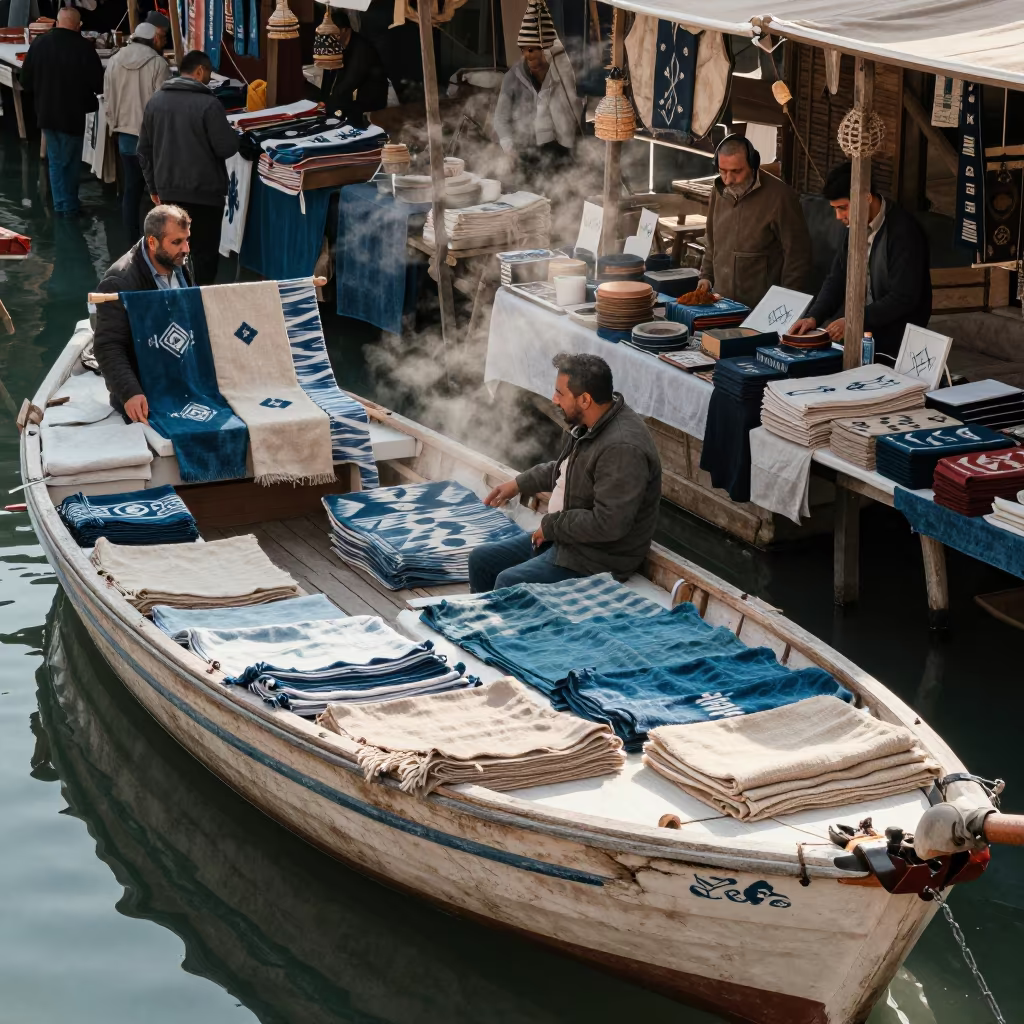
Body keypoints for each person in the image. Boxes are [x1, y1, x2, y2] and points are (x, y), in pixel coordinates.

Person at [469, 353, 662, 592]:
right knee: (481, 561)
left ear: (585, 400)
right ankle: (481, 626)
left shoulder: (622, 449)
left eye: (560, 393)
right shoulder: (592, 422)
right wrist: (518, 484)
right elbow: (567, 471)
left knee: (509, 582)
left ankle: (504, 627)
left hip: (599, 558)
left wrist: (552, 526)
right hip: (569, 539)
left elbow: (609, 524)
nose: (554, 399)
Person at [790, 162, 932, 357]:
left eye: (843, 208)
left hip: (898, 338)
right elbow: (838, 277)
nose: (839, 216)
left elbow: (903, 297)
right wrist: (813, 317)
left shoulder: (903, 232)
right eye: (835, 209)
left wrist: (853, 321)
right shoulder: (854, 226)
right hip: (865, 328)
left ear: (866, 198)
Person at [137, 50, 239, 285]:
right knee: (204, 256)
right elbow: (226, 147)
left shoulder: (156, 101)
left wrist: (153, 187)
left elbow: (143, 150)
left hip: (169, 194)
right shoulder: (209, 104)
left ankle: (176, 301)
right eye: (209, 73)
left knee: (172, 253)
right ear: (200, 71)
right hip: (206, 195)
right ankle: (201, 304)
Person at [93, 205, 193, 425]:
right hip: (146, 390)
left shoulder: (179, 260)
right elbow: (108, 345)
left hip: (185, 382)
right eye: (176, 242)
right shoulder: (118, 282)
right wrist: (130, 393)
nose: (185, 248)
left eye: (187, 240)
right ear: (152, 242)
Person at [696, 135, 811, 310]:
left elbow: (797, 255)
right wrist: (706, 276)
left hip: (762, 307)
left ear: (753, 164)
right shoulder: (718, 191)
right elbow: (711, 241)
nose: (728, 179)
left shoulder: (780, 197)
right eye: (722, 171)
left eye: (736, 171)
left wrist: (786, 303)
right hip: (721, 304)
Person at [19, 7, 104, 217]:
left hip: (46, 113)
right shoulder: (84, 48)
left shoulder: (39, 43)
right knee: (71, 162)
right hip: (73, 115)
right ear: (78, 25)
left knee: (56, 161)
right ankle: (70, 206)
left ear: (56, 22)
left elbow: (25, 81)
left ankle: (61, 206)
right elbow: (98, 84)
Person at [493, 0, 579, 184]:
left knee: (560, 193)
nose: (530, 56)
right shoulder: (512, 77)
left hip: (557, 147)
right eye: (525, 50)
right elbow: (500, 118)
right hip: (525, 148)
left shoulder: (561, 75)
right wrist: (510, 150)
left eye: (535, 50)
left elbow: (573, 108)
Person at [104, 21, 170, 241]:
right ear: (154, 39)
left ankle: (132, 239)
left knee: (130, 191)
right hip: (151, 141)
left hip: (125, 138)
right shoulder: (158, 64)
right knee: (157, 194)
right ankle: (158, 240)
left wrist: (113, 126)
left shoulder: (114, 60)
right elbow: (164, 105)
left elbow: (108, 99)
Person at [324, 12, 388, 126]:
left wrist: (329, 103)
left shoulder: (362, 48)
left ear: (344, 30)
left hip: (370, 98)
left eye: (332, 31)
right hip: (354, 95)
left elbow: (351, 80)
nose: (329, 35)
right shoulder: (340, 44)